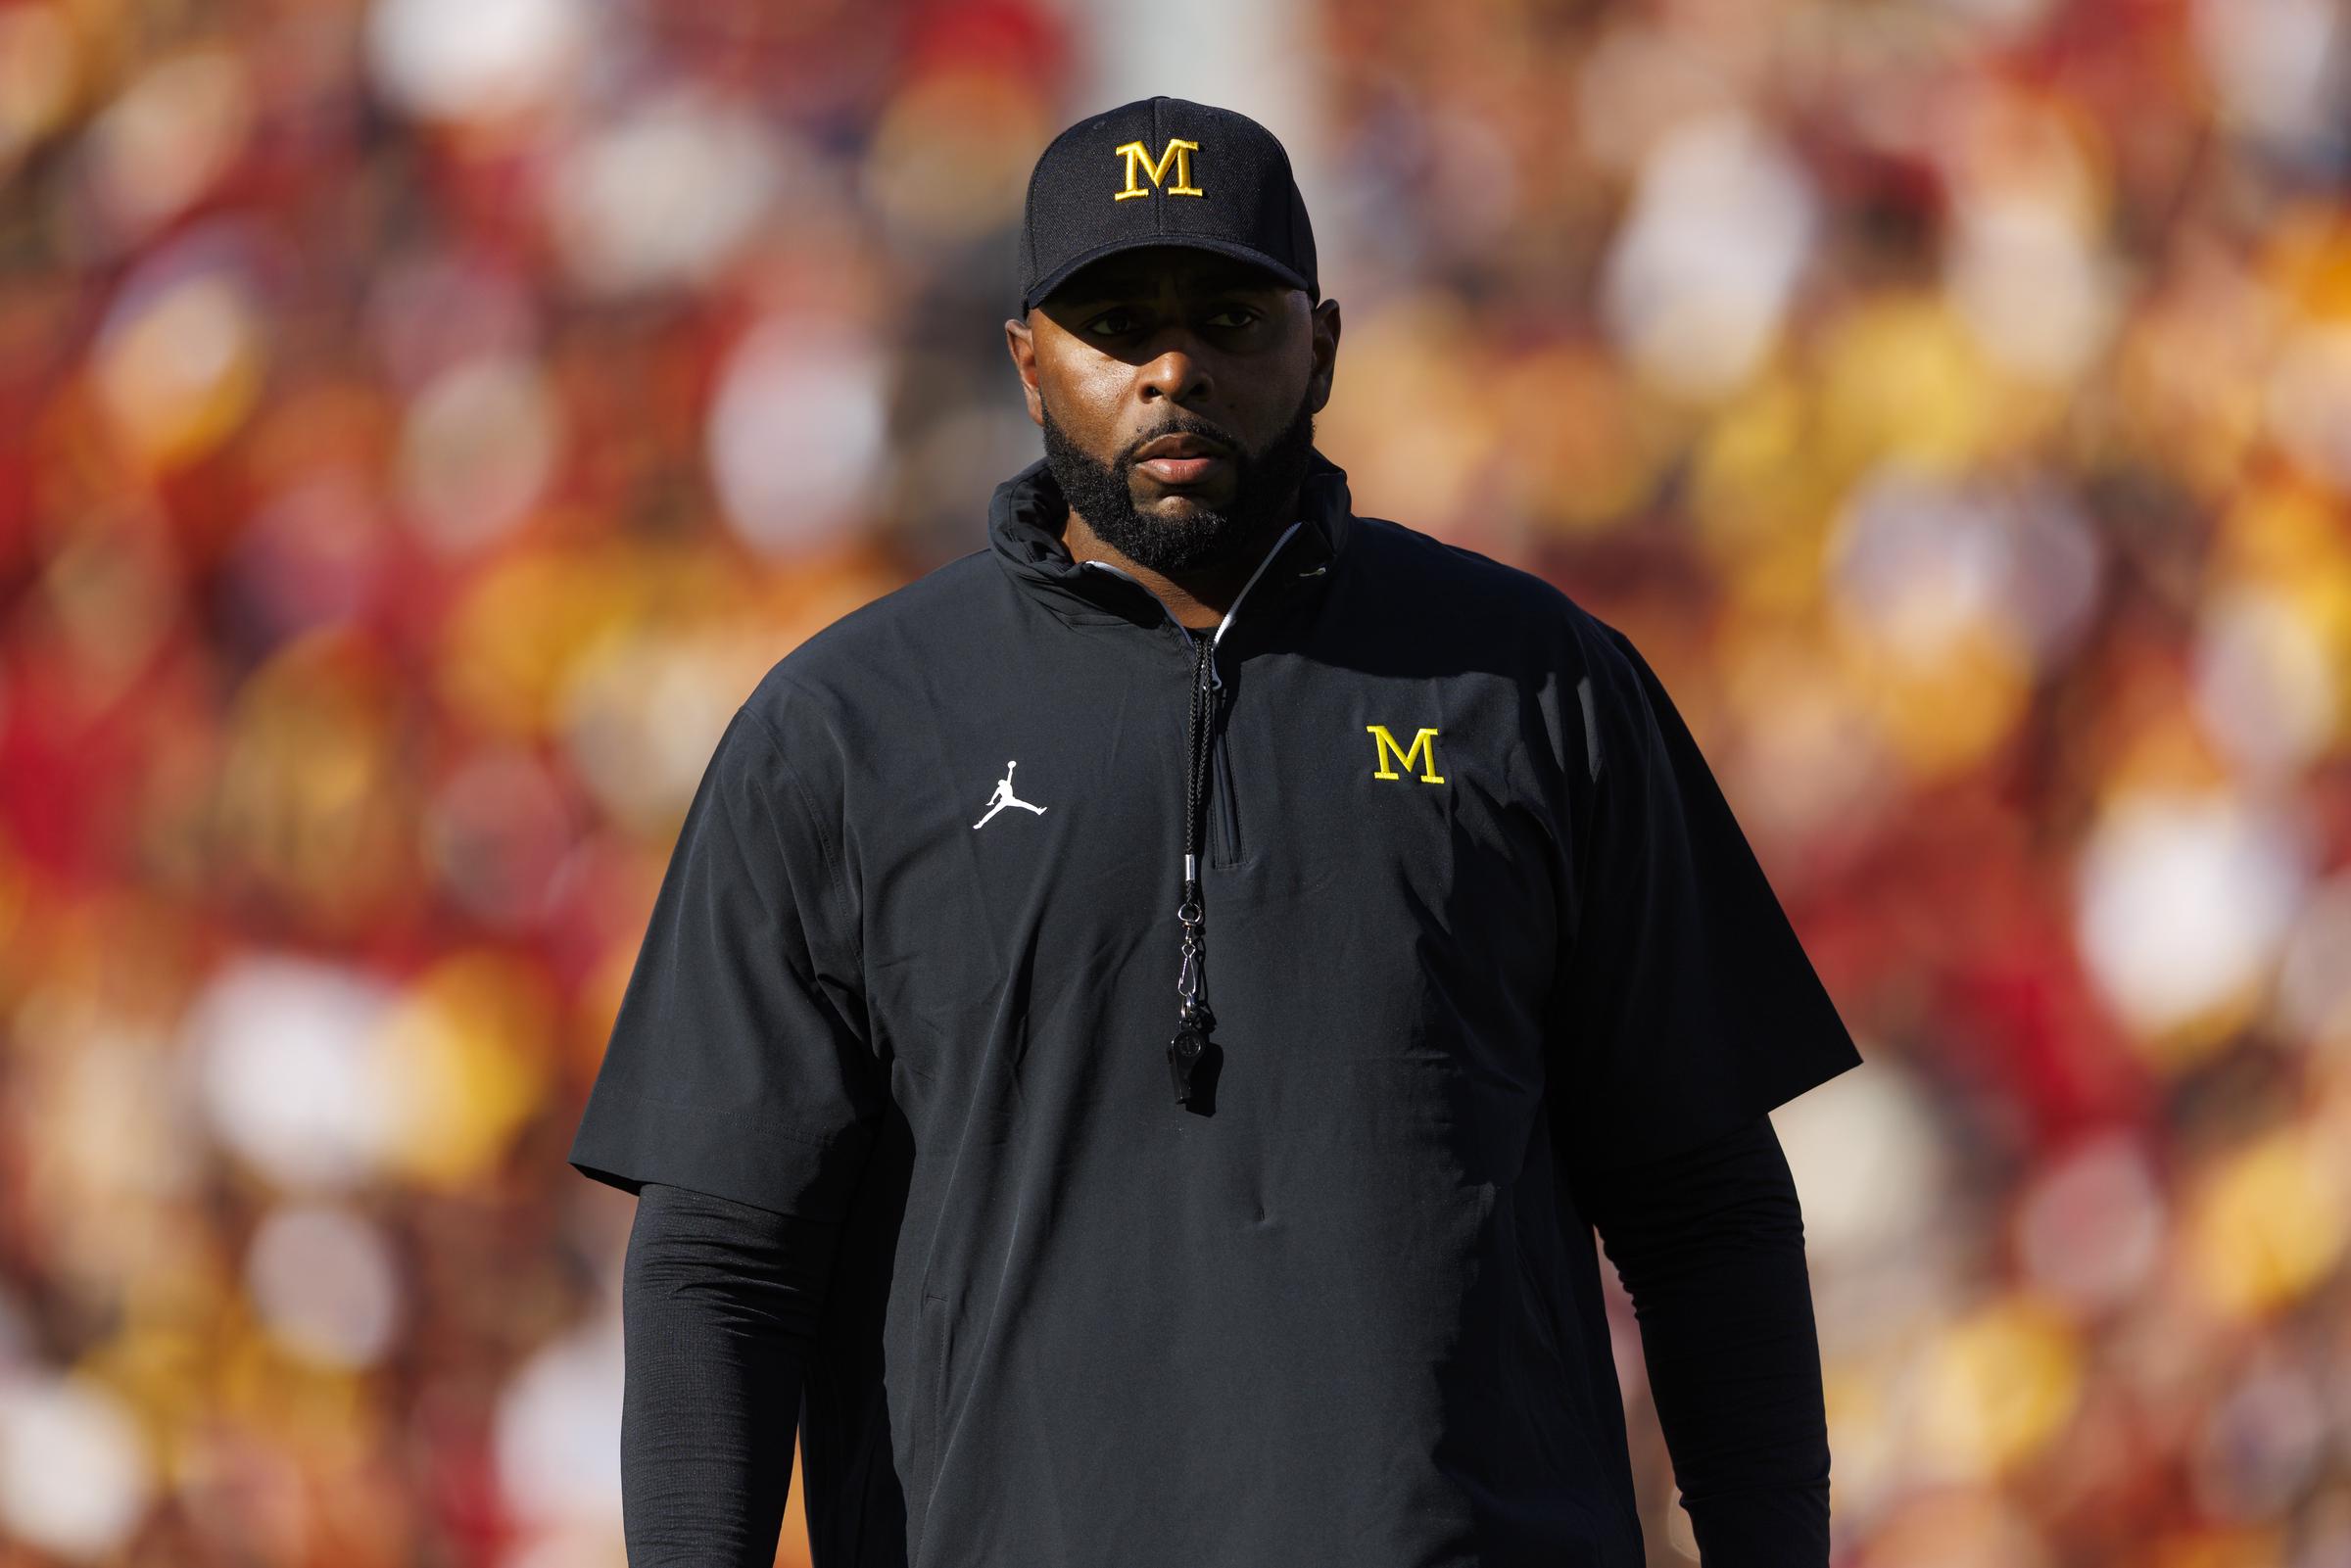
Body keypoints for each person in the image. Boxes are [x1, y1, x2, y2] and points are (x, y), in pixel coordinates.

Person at [568, 94, 1866, 1568]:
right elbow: (723, 1260)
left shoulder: (1538, 684)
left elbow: (1704, 1203)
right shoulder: (845, 732)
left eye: (1230, 317)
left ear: (1321, 340)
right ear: (1027, 357)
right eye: (1117, 323)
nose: (1173, 367)